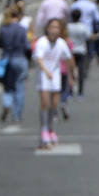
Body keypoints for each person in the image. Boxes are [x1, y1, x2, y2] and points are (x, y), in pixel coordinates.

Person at [34, 17, 77, 149]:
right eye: (52, 27)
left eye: (56, 28)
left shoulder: (61, 43)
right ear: (47, 29)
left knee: (54, 105)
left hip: (56, 76)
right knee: (45, 103)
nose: (54, 30)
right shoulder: (42, 42)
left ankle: (51, 129)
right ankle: (44, 131)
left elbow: (69, 58)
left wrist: (72, 73)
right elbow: (39, 58)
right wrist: (46, 71)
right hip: (44, 76)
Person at [0, 7, 31, 122]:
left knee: (8, 86)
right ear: (17, 16)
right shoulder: (22, 29)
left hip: (6, 59)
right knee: (20, 87)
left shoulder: (3, 29)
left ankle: (7, 103)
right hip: (20, 58)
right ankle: (17, 114)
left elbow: (0, 44)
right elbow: (27, 47)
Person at [66, 8, 93, 99]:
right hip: (81, 50)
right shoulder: (83, 26)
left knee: (70, 71)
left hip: (71, 51)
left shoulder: (68, 27)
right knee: (81, 72)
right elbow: (88, 37)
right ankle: (80, 92)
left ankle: (70, 91)